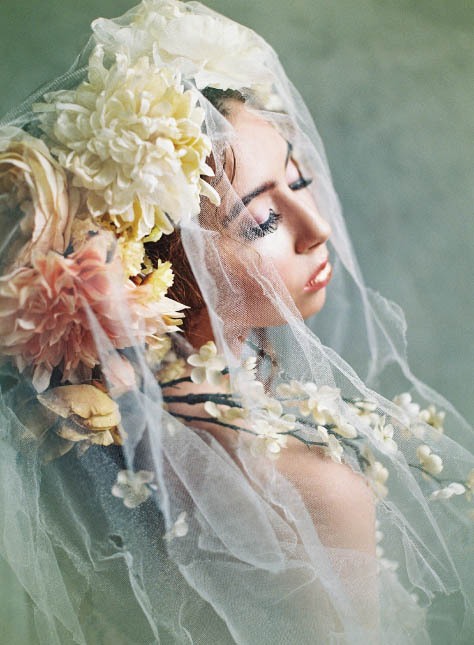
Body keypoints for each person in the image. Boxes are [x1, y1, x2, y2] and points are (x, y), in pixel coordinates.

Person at [0, 1, 472, 643]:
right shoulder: (313, 491)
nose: (319, 228)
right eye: (261, 222)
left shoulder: (80, 440)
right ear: (158, 261)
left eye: (300, 181)